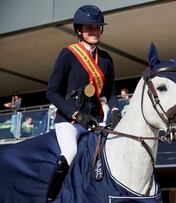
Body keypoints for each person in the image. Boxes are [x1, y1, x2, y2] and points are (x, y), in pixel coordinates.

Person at [46, 5, 121, 202]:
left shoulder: (105, 59)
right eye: (89, 28)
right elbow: (51, 92)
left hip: (95, 120)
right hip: (70, 122)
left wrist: (114, 109)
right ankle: (51, 198)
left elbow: (111, 91)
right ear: (79, 30)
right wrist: (76, 115)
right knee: (69, 153)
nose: (94, 31)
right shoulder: (68, 54)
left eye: (97, 28)